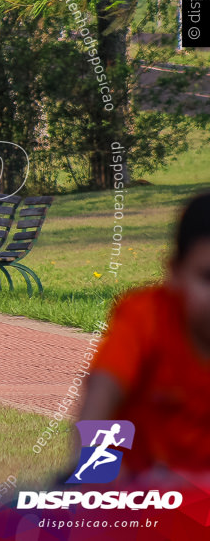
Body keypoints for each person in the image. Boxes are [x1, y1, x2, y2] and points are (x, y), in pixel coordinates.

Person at [77, 192, 210, 478]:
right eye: (207, 278)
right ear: (175, 272)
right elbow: (105, 387)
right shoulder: (146, 317)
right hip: (135, 491)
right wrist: (101, 479)